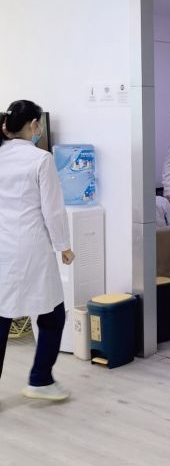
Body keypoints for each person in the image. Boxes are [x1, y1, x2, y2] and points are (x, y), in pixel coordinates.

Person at [0, 100, 75, 402]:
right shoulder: (41, 159)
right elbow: (53, 211)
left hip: (4, 246)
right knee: (53, 315)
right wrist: (64, 246)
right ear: (33, 125)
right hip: (31, 248)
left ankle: (41, 379)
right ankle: (41, 379)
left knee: (2, 315)